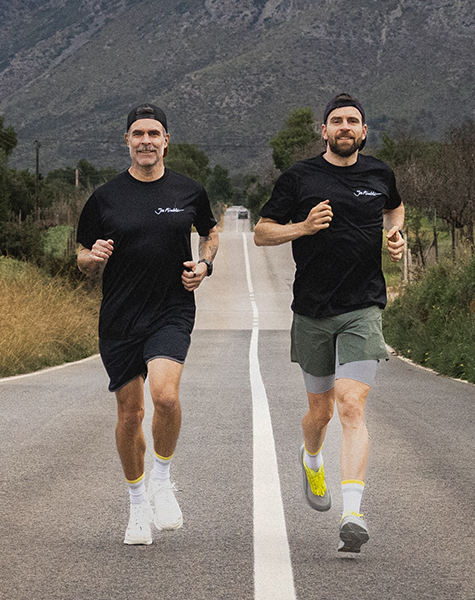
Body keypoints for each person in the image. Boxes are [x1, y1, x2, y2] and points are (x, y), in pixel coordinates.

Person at [254, 93, 405, 553]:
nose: (344, 127)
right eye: (336, 120)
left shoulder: (379, 174)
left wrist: (395, 232)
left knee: (351, 405)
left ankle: (352, 513)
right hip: (313, 311)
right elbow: (262, 232)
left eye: (352, 121)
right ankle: (311, 457)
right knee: (320, 413)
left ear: (364, 131)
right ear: (324, 131)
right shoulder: (299, 178)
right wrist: (301, 227)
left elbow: (395, 208)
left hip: (363, 307)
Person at [76, 103, 219, 545]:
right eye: (138, 134)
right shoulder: (105, 198)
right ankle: (137, 505)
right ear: (127, 141)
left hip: (171, 310)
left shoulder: (189, 191)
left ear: (166, 141)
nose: (146, 141)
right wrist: (92, 257)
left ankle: (161, 478)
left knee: (166, 397)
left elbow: (211, 232)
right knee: (131, 414)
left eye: (153, 133)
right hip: (120, 316)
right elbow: (81, 255)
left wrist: (204, 265)